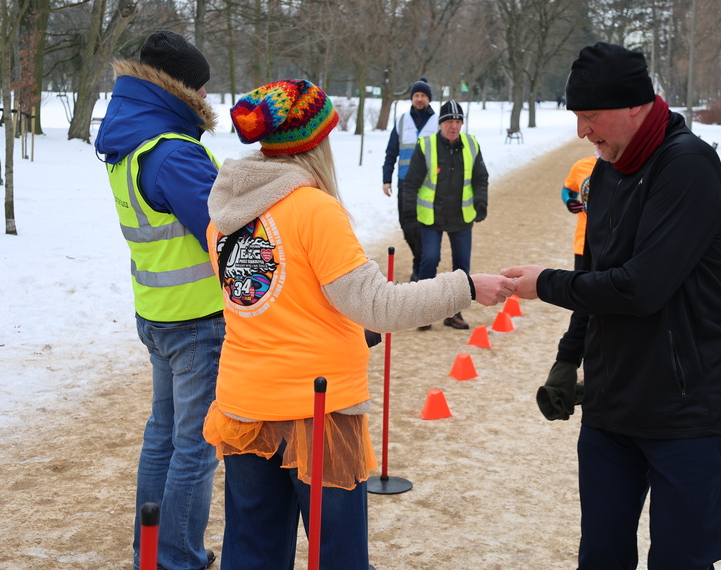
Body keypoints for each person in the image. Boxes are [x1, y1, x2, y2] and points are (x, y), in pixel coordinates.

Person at [201, 79, 515, 570]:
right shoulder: (313, 209)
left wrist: (349, 329)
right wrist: (466, 287)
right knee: (339, 556)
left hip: (245, 404)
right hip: (317, 412)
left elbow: (284, 300)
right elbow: (380, 305)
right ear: (313, 143)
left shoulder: (225, 216)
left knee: (253, 552)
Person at [502, 42, 721, 569]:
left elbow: (640, 287)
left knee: (682, 561)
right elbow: (595, 273)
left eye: (591, 116)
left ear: (636, 104)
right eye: (577, 117)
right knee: (602, 557)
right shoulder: (604, 170)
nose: (582, 131)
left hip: (686, 414)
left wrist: (544, 284)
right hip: (611, 409)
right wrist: (569, 358)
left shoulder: (689, 166)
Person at [94, 30, 221, 570]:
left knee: (163, 436)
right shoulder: (173, 153)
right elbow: (228, 232)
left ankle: (150, 549)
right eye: (203, 88)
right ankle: (175, 557)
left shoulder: (131, 143)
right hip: (197, 321)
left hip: (158, 315)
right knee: (195, 446)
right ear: (184, 89)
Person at [402, 99, 489, 330]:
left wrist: (481, 202)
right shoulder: (426, 145)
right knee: (429, 260)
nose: (454, 126)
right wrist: (409, 212)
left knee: (462, 268)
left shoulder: (471, 145)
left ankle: (454, 313)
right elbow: (411, 182)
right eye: (449, 121)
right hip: (431, 216)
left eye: (458, 121)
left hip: (461, 217)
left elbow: (480, 177)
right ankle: (423, 313)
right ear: (440, 124)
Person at [537, 154, 597, 421]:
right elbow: (568, 189)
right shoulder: (582, 166)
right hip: (584, 244)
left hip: (613, 246)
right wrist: (569, 201)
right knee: (585, 302)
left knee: (596, 301)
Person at [382, 77, 439, 281]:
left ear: (429, 98)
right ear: (412, 98)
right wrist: (386, 178)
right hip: (405, 182)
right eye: (416, 95)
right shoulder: (402, 120)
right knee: (406, 224)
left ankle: (420, 268)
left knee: (424, 224)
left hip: (429, 183)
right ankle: (420, 258)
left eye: (423, 95)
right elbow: (391, 152)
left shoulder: (438, 122)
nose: (420, 99)